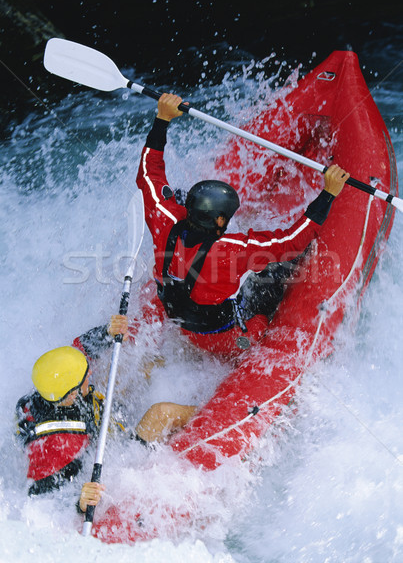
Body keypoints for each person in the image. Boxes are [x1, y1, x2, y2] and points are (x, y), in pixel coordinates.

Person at [136, 93, 350, 356]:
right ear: (219, 221)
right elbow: (290, 241)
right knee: (274, 276)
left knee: (173, 200)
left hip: (179, 320)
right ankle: (251, 339)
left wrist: (162, 118)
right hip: (222, 339)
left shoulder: (164, 218)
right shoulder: (230, 249)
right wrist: (328, 193)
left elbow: (148, 174)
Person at [16, 315, 196, 513]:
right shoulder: (56, 445)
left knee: (142, 364)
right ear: (71, 396)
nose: (90, 374)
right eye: (84, 377)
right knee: (161, 413)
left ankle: (193, 361)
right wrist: (79, 502)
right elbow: (40, 499)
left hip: (95, 422)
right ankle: (209, 415)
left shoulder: (51, 385)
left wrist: (106, 333)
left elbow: (79, 349)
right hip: (115, 458)